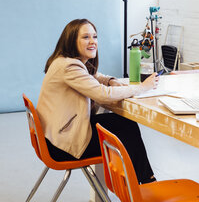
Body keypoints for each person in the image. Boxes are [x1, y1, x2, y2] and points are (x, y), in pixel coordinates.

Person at [37, 19, 159, 184]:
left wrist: (110, 80)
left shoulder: (65, 61)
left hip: (54, 135)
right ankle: (145, 184)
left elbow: (94, 76)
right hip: (61, 145)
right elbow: (103, 95)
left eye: (94, 36)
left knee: (124, 124)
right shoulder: (69, 67)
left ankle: (143, 182)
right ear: (72, 40)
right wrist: (143, 87)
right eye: (85, 37)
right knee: (127, 131)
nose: (92, 41)